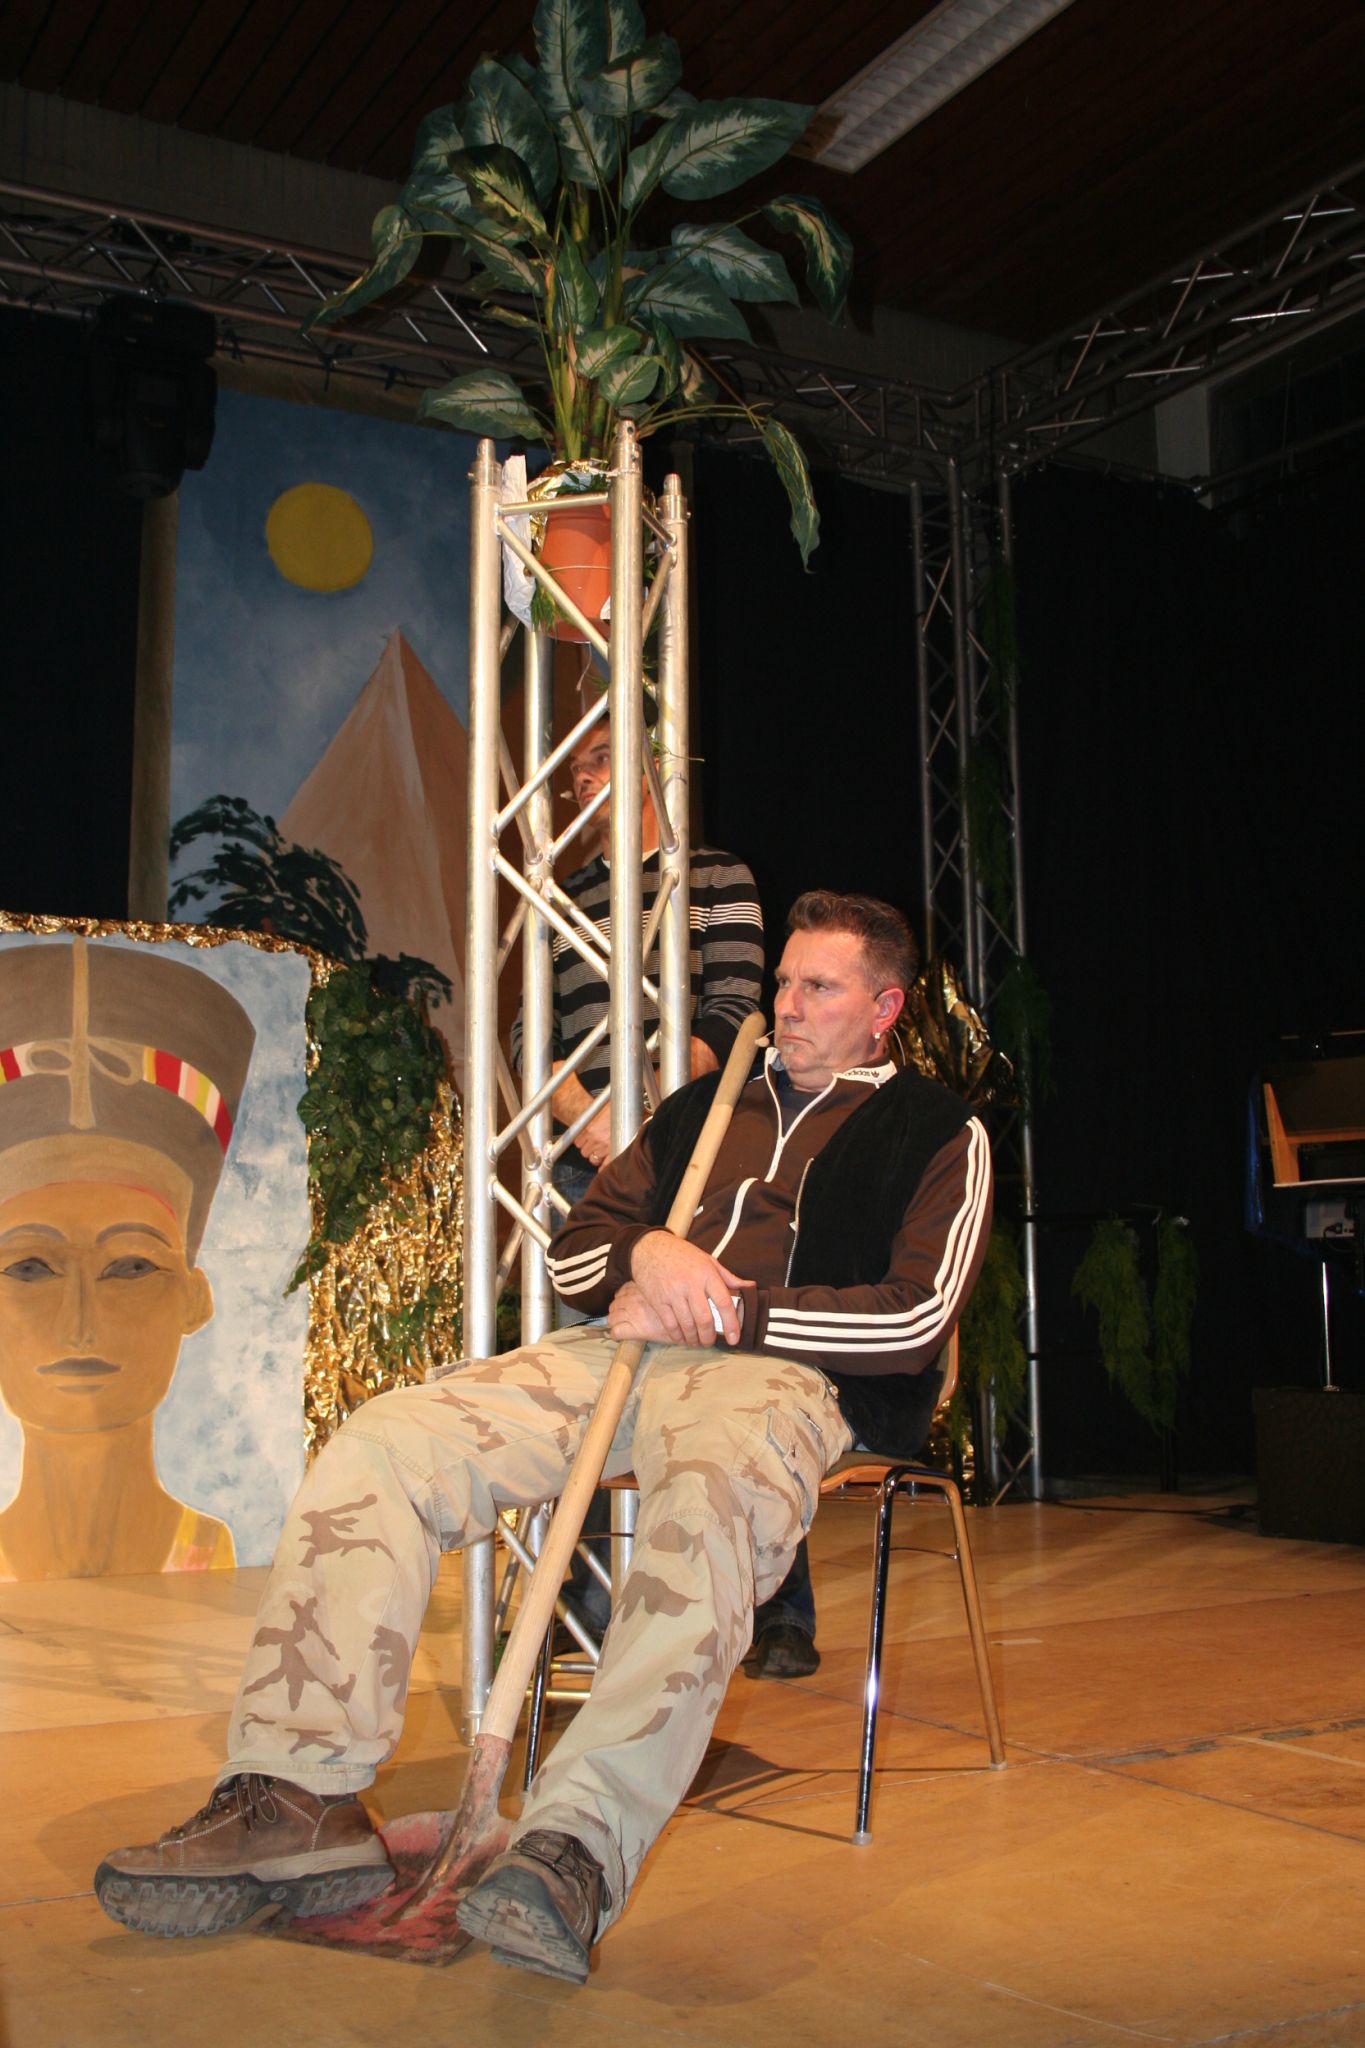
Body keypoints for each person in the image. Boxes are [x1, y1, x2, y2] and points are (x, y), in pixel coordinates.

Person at [95, 891, 992, 1985]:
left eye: (819, 987)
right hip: (623, 1350)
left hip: (782, 1378)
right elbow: (578, 1250)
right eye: (782, 982)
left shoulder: (937, 1130)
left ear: (884, 1008)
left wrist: (724, 1305)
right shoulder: (705, 1108)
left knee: (705, 1507)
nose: (787, 1005)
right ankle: (296, 1791)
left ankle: (574, 1846)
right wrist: (649, 1254)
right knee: (387, 1439)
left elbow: (912, 1320)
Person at [515, 708, 818, 1675]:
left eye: (599, 758)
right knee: (585, 1368)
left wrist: (646, 1117)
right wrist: (582, 1114)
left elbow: (731, 1012)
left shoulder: (714, 877)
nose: (581, 780)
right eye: (572, 768)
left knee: (724, 1363)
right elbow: (526, 1035)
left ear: (652, 768)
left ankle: (775, 1605)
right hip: (586, 1159)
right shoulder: (559, 896)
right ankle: (575, 1601)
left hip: (694, 1148)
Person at [0, 937, 255, 1580]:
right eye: (29, 1267)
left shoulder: (209, 1558)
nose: (79, 1326)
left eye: (131, 1266)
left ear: (194, 1297)